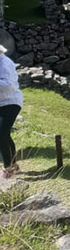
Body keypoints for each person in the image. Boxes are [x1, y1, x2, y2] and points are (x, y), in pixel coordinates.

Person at [0, 45, 22, 179]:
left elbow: (8, 84)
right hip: (1, 103)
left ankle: (8, 168)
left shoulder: (5, 64)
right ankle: (14, 165)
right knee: (4, 134)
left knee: (1, 133)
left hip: (11, 102)